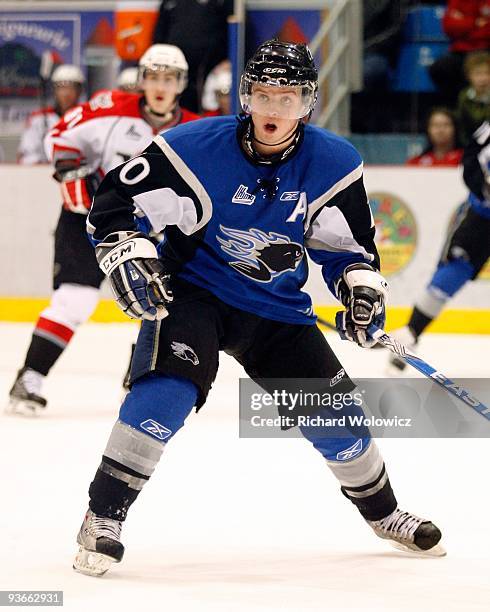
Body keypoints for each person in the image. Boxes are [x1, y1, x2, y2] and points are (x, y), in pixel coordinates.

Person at [71, 39, 444, 577]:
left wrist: (360, 289)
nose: (274, 110)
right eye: (263, 95)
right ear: (245, 97)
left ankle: (384, 516)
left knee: (339, 421)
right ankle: (101, 517)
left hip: (277, 310)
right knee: (168, 390)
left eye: (287, 97)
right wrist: (129, 251)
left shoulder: (334, 163)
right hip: (194, 292)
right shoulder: (191, 148)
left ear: (308, 103)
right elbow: (113, 203)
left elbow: (346, 251)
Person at [6, 44, 201, 416]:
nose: (161, 86)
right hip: (88, 220)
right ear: (142, 80)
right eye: (154, 77)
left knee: (153, 306)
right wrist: (69, 171)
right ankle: (29, 377)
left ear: (182, 84)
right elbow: (60, 136)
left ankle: (136, 384)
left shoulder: (194, 129)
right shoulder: (108, 108)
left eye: (170, 78)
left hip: (148, 232)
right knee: (74, 300)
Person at [388, 120, 490, 372]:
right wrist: (483, 189)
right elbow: (471, 156)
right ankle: (411, 332)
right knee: (454, 269)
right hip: (482, 217)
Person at [152, 0, 234, 113]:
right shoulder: (169, 3)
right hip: (175, 65)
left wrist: (229, 60)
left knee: (223, 84)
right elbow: (159, 34)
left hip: (212, 66)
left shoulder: (223, 3)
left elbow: (238, 30)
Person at [17, 65, 84, 164]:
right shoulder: (39, 119)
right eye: (61, 88)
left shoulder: (87, 118)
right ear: (55, 91)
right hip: (42, 173)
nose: (66, 94)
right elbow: (26, 154)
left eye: (71, 88)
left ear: (79, 91)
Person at [429, 0, 490, 107]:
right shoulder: (457, 1)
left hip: (486, 48)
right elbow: (448, 26)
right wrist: (475, 22)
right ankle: (456, 111)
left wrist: (464, 23)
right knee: (440, 68)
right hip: (461, 51)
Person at [457, 51, 490, 146]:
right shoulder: (464, 96)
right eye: (478, 74)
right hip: (472, 145)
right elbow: (462, 127)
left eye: (487, 73)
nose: (483, 78)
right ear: (469, 76)